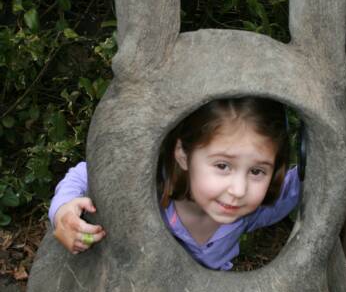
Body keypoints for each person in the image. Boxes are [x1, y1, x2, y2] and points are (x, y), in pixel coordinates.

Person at [49, 97, 301, 270]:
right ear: (183, 154)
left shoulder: (249, 213)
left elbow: (301, 184)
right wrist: (63, 211)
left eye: (257, 171)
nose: (239, 190)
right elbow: (87, 173)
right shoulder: (153, 186)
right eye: (223, 166)